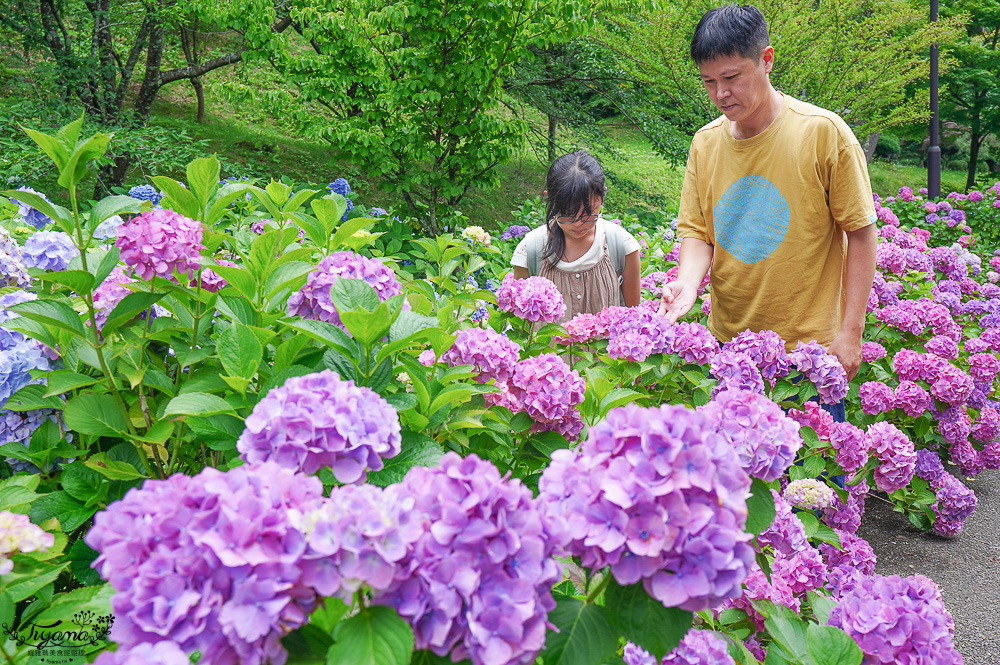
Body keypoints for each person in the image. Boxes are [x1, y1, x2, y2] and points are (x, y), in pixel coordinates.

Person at [658, 4, 877, 403]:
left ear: (767, 60)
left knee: (818, 464)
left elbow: (861, 233)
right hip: (729, 348)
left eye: (731, 77)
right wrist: (687, 285)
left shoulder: (822, 133)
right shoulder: (705, 143)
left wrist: (850, 332)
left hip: (808, 355)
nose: (721, 94)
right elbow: (697, 233)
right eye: (708, 81)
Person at [512, 150, 641, 322]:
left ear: (602, 196)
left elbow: (633, 318)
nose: (578, 223)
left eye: (589, 213)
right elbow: (523, 325)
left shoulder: (621, 246)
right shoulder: (530, 250)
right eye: (568, 214)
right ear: (550, 199)